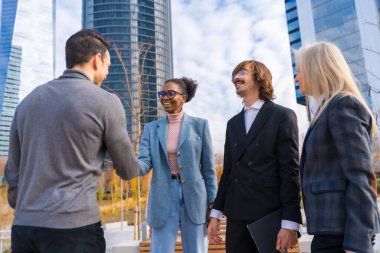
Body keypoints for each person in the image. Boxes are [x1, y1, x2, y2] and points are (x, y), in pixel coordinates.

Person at [4, 29, 139, 253]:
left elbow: (13, 173)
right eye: (108, 65)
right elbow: (127, 169)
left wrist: (29, 209)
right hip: (74, 229)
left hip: (24, 229)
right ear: (97, 60)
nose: (107, 72)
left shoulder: (26, 103)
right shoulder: (106, 102)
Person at [207, 60, 302, 253]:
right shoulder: (232, 123)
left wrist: (290, 222)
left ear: (259, 78)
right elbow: (228, 173)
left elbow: (290, 170)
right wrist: (215, 215)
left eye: (242, 72)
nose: (236, 77)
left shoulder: (282, 115)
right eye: (234, 74)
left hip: (268, 217)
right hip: (236, 217)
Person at [295, 42, 380, 253]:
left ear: (317, 68)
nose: (297, 78)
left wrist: (357, 244)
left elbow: (361, 178)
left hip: (344, 239)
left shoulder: (343, 104)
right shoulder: (325, 110)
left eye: (300, 71)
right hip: (329, 234)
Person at [138, 77, 217, 253]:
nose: (165, 97)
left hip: (195, 197)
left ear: (184, 96)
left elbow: (208, 168)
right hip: (162, 195)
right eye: (162, 94)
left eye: (170, 93)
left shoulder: (200, 125)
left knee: (196, 249)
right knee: (160, 249)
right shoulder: (151, 128)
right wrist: (127, 162)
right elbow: (144, 163)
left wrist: (214, 203)